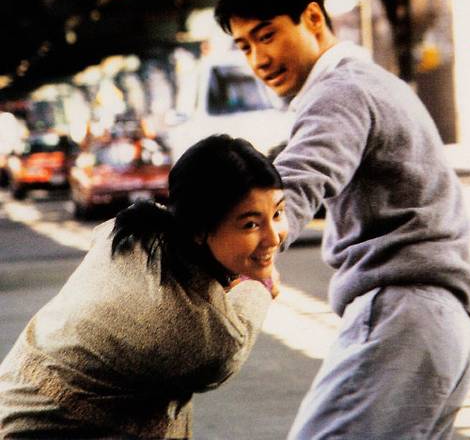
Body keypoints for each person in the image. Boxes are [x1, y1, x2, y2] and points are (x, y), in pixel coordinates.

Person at [215, 0, 470, 438]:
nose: (258, 59)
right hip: (442, 328)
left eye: (267, 35)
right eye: (244, 46)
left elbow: (294, 184)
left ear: (313, 18)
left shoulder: (339, 93)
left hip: (400, 320)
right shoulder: (374, 83)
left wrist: (238, 256)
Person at [0, 134, 288, 438]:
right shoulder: (204, 336)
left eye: (278, 213)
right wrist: (260, 283)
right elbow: (233, 343)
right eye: (250, 224)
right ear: (200, 230)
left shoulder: (132, 230)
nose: (274, 237)